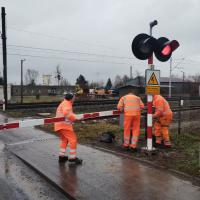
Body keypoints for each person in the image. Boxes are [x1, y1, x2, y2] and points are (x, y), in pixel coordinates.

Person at [54, 92, 82, 164]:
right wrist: (75, 118)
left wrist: (75, 116)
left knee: (64, 140)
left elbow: (68, 113)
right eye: (74, 97)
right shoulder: (67, 103)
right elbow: (66, 113)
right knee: (73, 140)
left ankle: (61, 156)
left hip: (59, 125)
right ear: (71, 98)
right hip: (64, 126)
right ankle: (72, 158)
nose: (75, 99)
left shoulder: (64, 103)